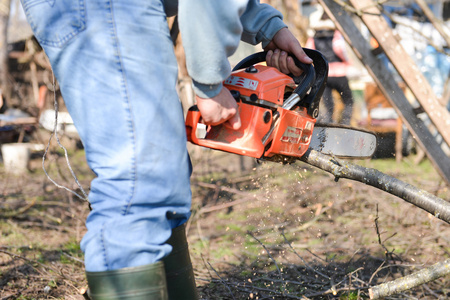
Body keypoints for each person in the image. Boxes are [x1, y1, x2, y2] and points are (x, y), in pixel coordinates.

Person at [19, 0, 312, 299]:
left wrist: (267, 25)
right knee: (141, 182)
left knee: (164, 174)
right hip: (108, 8)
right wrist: (210, 83)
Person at [306, 15, 354, 125]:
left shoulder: (313, 38)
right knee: (348, 100)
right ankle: (346, 124)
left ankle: (327, 126)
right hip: (339, 73)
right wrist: (348, 61)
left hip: (324, 74)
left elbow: (309, 53)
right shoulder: (335, 35)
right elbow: (340, 49)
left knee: (328, 104)